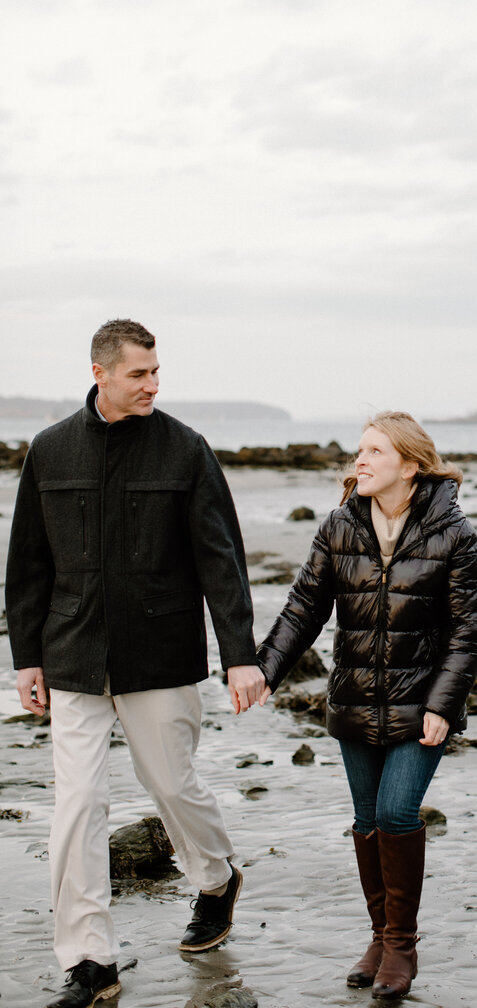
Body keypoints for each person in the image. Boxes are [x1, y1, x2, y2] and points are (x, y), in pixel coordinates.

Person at [5, 319, 266, 1008]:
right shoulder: (51, 450)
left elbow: (222, 558)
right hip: (73, 654)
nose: (152, 384)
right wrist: (24, 655)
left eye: (156, 372)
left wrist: (241, 656)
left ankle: (215, 879)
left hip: (160, 652)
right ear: (101, 374)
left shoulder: (185, 450)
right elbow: (28, 563)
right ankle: (90, 961)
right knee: (78, 804)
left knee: (172, 786)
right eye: (138, 374)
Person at [256, 411, 477, 1000]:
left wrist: (443, 703)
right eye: (359, 451)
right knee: (366, 821)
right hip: (355, 701)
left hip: (421, 708)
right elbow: (304, 608)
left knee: (395, 813)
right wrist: (266, 670)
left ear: (409, 466)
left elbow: (467, 633)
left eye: (374, 452)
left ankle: (402, 944)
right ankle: (380, 936)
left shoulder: (454, 536)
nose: (359, 461)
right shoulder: (339, 527)